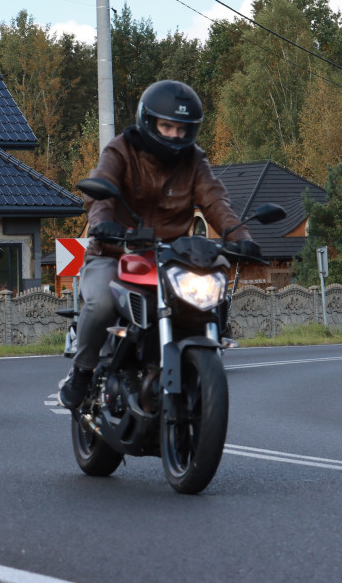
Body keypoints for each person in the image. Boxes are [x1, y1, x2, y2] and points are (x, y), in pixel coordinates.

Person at [58, 80, 258, 409]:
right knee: (100, 303)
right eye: (167, 126)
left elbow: (215, 200)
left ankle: (206, 351)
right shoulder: (121, 150)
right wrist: (103, 225)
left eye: (182, 129)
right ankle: (82, 372)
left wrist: (241, 238)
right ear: (149, 122)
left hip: (171, 256)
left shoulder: (194, 161)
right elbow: (101, 189)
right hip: (116, 251)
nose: (174, 136)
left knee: (215, 279)